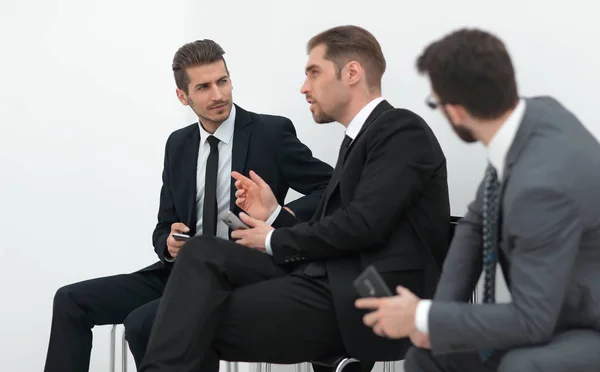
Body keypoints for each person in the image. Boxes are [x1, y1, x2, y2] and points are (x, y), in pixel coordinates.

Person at [137, 25, 450, 372]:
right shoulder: (357, 140)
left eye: (313, 74)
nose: (304, 87)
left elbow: (363, 225)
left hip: (362, 292)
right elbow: (339, 223)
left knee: (183, 322)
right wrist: (273, 214)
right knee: (200, 251)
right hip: (323, 274)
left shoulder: (401, 129)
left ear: (351, 73)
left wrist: (273, 237)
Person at [43, 39, 334, 372]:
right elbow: (163, 225)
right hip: (181, 272)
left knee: (143, 324)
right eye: (204, 87)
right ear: (183, 96)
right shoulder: (178, 145)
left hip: (242, 271)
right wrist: (168, 243)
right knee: (70, 301)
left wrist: (276, 215)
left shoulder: (270, 132)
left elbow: (330, 189)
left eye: (222, 81)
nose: (218, 95)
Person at [356, 28, 600, 372]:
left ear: (455, 112)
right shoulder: (535, 117)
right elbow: (475, 224)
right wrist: (431, 323)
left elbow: (532, 321)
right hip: (558, 308)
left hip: (587, 324)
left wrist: (423, 315)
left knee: (521, 365)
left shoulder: (541, 188)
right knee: (426, 357)